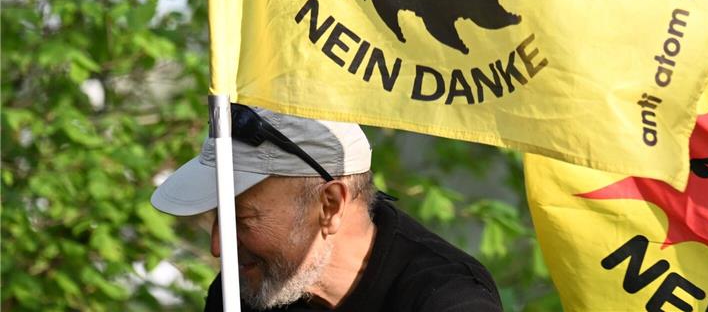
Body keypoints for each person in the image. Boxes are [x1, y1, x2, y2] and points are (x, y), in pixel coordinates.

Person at [151, 104, 502, 311]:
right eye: (219, 218)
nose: (218, 246)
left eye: (241, 219)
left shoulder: (448, 299)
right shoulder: (242, 291)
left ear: (330, 206)